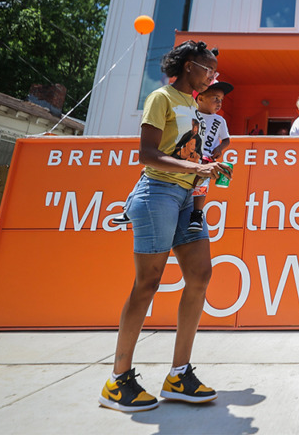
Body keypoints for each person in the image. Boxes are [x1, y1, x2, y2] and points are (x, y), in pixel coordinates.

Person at [100, 40, 231, 413]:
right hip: (157, 193)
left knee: (201, 275)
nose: (212, 77)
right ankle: (117, 380)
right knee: (148, 283)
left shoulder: (192, 104)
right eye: (209, 70)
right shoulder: (161, 97)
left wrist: (207, 165)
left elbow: (183, 150)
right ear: (190, 66)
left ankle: (178, 374)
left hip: (187, 197)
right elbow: (147, 153)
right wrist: (195, 167)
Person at [187, 80, 234, 232]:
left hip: (207, 159)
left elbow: (226, 139)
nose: (219, 103)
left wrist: (220, 148)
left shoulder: (220, 120)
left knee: (202, 185)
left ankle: (197, 214)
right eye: (215, 98)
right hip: (187, 158)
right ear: (200, 98)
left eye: (221, 100)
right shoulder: (190, 115)